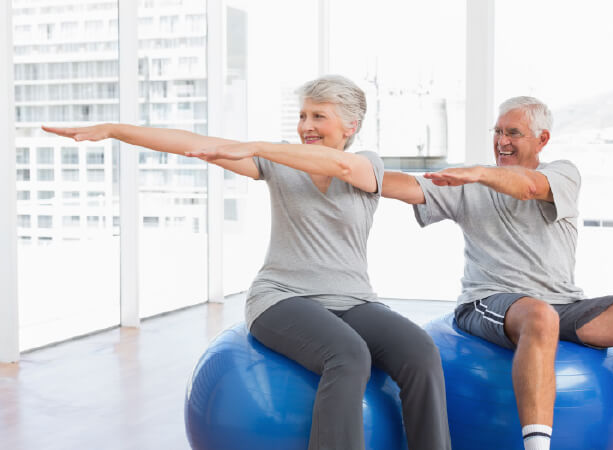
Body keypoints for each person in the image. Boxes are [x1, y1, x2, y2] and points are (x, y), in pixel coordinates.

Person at [44, 74, 451, 450]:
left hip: (353, 299)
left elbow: (342, 166)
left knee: (421, 351)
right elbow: (191, 142)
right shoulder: (279, 164)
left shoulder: (366, 164)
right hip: (282, 298)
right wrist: (117, 130)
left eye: (318, 116)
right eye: (302, 115)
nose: (306, 125)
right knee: (348, 356)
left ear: (350, 126)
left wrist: (255, 145)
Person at [382, 96, 613, 450]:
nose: (501, 141)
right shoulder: (468, 183)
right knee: (540, 316)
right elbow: (410, 187)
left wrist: (477, 173)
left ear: (542, 140)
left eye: (513, 133)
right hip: (488, 300)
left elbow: (529, 187)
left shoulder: (562, 174)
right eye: (497, 131)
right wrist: (355, 172)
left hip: (564, 303)